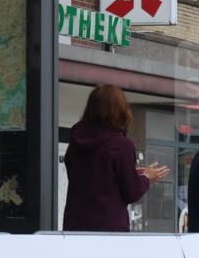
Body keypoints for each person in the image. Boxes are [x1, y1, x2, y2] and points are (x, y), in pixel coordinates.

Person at [62, 85, 169, 231]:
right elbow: (132, 192)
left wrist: (130, 173)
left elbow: (91, 176)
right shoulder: (121, 145)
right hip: (108, 230)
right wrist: (146, 177)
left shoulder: (76, 141)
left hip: (74, 227)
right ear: (120, 110)